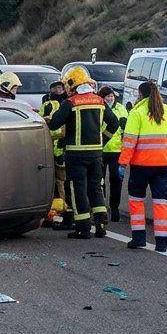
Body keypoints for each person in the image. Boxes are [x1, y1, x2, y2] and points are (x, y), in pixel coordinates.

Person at [45, 66, 120, 239]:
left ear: (72, 84)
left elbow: (55, 123)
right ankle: (101, 225)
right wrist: (101, 140)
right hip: (96, 154)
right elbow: (114, 124)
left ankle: (83, 228)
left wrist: (46, 119)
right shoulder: (99, 101)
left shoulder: (71, 103)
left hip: (76, 155)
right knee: (95, 188)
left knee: (78, 189)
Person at [118, 80, 167, 252]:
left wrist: (123, 163)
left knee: (136, 201)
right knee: (161, 203)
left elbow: (129, 142)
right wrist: (166, 153)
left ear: (140, 94)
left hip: (141, 165)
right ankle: (162, 242)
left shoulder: (137, 112)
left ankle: (138, 238)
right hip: (163, 165)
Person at [38, 80, 69, 228]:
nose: (59, 89)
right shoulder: (48, 105)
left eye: (61, 87)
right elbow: (42, 124)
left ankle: (65, 210)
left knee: (62, 181)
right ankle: (52, 211)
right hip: (50, 147)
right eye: (56, 87)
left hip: (63, 148)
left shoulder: (69, 103)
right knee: (51, 182)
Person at [99, 85, 129, 218]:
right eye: (108, 97)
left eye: (112, 96)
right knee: (100, 181)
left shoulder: (121, 109)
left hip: (116, 150)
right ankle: (101, 207)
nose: (110, 99)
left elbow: (125, 129)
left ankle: (114, 208)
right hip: (101, 149)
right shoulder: (99, 108)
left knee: (116, 179)